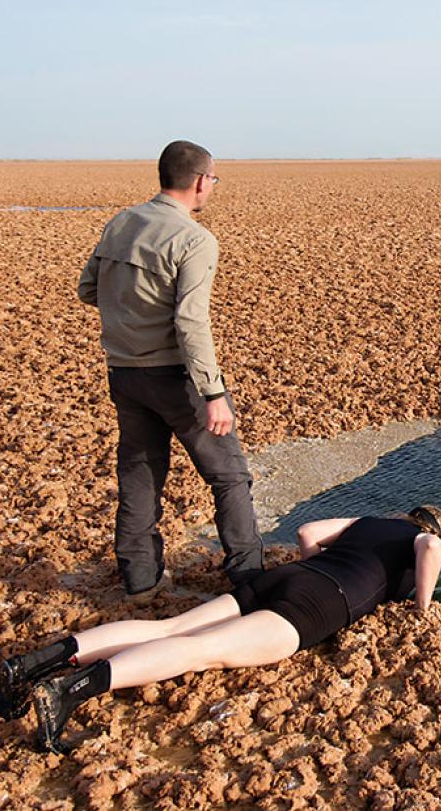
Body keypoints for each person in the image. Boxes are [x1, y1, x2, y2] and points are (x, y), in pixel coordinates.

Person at [0, 505, 441, 753]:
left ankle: (31, 666)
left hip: (287, 578)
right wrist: (423, 604)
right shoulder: (421, 544)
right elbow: (430, 546)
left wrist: (312, 571)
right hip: (318, 604)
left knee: (168, 627)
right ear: (438, 532)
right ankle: (68, 692)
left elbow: (309, 532)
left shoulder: (369, 522)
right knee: (199, 650)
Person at [77, 140, 263, 600]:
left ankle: (140, 582)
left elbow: (87, 289)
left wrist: (131, 312)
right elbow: (190, 321)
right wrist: (214, 393)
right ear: (201, 181)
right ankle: (251, 581)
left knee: (139, 473)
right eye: (213, 180)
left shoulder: (122, 222)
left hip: (124, 373)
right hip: (176, 379)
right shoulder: (194, 238)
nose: (212, 187)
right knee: (229, 477)